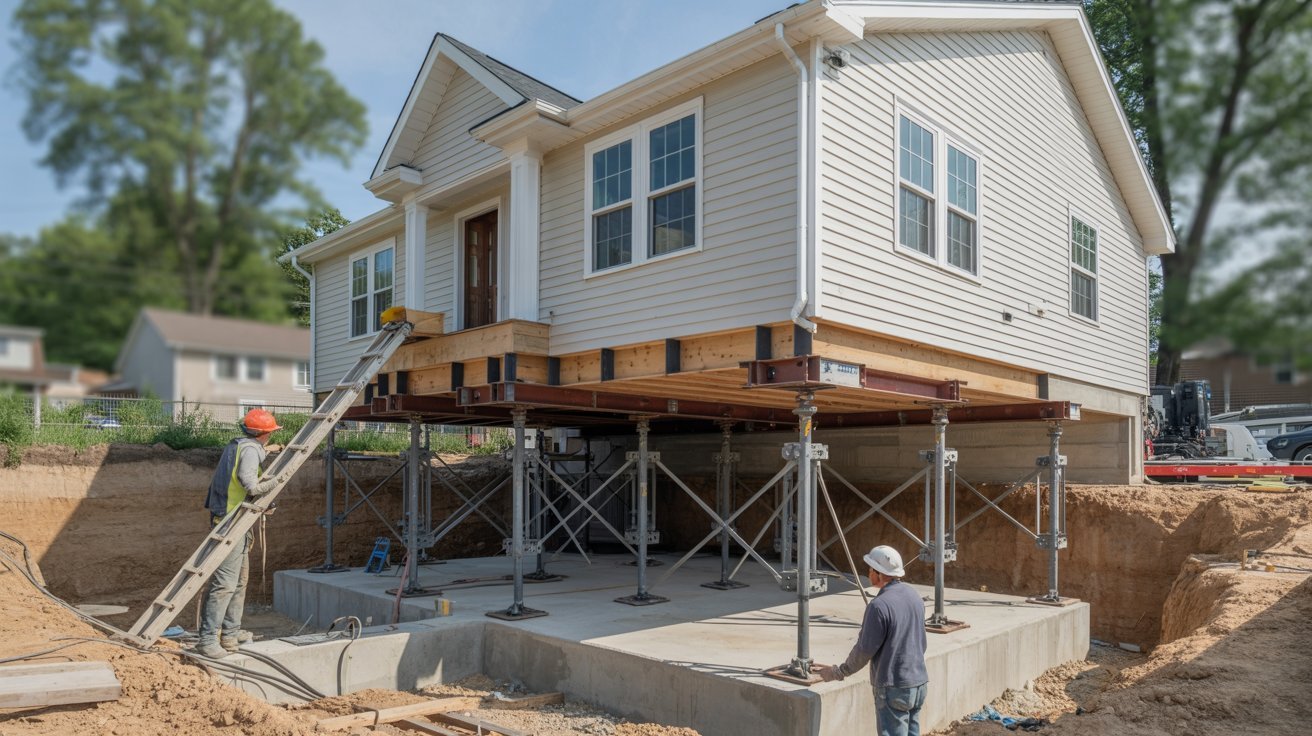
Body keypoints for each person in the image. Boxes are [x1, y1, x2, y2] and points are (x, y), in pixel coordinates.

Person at [194, 408, 282, 658]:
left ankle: (231, 634)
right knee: (225, 584)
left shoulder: (240, 445)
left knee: (239, 582)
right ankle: (209, 640)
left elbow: (249, 459)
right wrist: (275, 481)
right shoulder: (252, 450)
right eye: (270, 435)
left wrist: (268, 452)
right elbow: (250, 484)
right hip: (231, 522)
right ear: (265, 433)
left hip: (235, 521)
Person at [813, 545, 929, 736]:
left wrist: (839, 672)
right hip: (919, 682)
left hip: (894, 687)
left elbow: (865, 649)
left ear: (880, 574)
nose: (868, 573)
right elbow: (921, 643)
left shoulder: (879, 606)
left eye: (870, 569)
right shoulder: (914, 596)